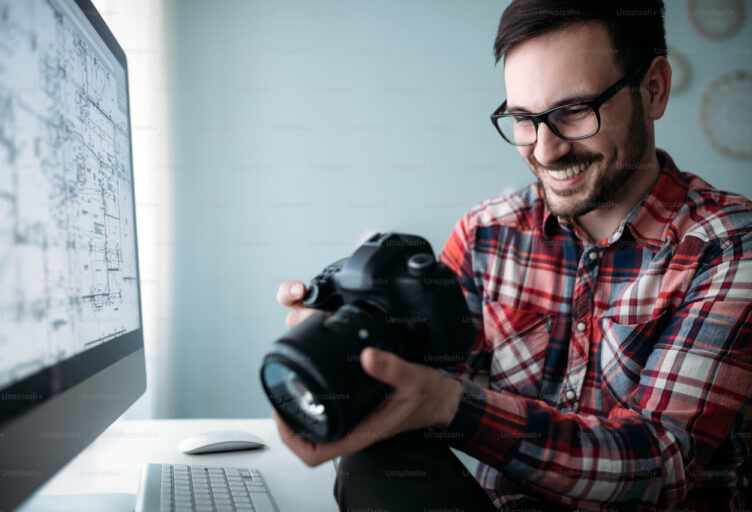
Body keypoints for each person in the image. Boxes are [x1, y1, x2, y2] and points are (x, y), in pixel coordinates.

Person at [274, 1, 752, 510]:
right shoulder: (487, 236)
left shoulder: (727, 246)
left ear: (653, 88)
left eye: (573, 112)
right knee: (377, 458)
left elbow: (660, 464)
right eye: (524, 119)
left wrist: (447, 405)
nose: (545, 152)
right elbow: (413, 389)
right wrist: (337, 362)